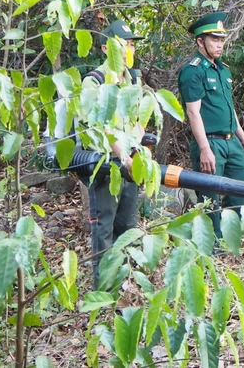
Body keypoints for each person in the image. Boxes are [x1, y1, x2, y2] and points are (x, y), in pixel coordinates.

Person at [178, 12, 244, 241]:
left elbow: (229, 107)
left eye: (221, 40)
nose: (219, 44)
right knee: (209, 198)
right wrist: (204, 149)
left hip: (231, 142)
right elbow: (193, 112)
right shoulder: (193, 71)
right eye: (214, 39)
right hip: (210, 142)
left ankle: (232, 240)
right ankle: (211, 244)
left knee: (239, 194)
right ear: (199, 42)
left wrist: (243, 140)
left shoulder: (223, 70)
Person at [81, 20, 144, 290]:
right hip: (107, 164)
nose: (129, 49)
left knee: (128, 226)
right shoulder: (94, 82)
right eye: (123, 44)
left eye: (131, 44)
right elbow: (98, 127)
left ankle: (125, 285)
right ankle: (103, 291)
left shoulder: (134, 79)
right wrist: (124, 155)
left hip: (131, 162)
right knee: (103, 228)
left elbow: (141, 118)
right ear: (106, 47)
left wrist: (135, 152)